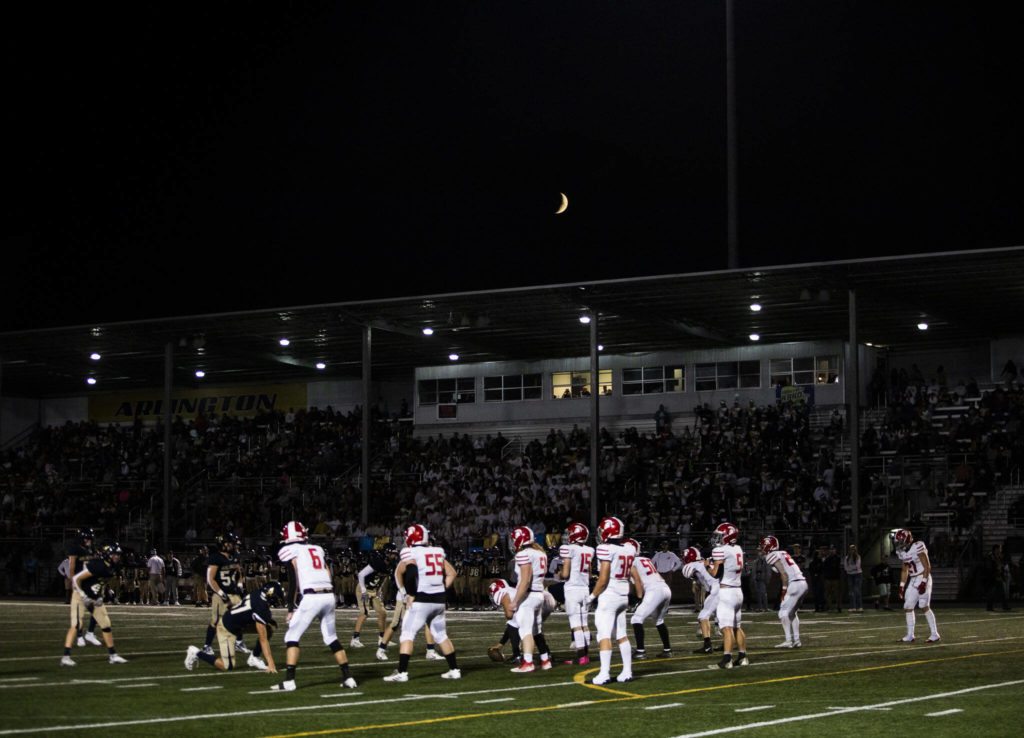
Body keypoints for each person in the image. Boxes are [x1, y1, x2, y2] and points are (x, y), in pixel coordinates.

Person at [272, 521, 356, 691]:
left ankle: (289, 681)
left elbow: (293, 579)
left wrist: (290, 609)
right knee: (331, 638)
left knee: (291, 636)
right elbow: (326, 571)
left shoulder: (291, 551)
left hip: (312, 597)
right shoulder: (316, 549)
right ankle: (348, 678)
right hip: (328, 594)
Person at [383, 524, 461, 682]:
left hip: (422, 599)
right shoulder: (436, 551)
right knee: (441, 635)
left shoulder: (410, 552)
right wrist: (442, 588)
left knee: (407, 634)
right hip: (439, 600)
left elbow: (410, 574)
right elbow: (452, 573)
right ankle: (454, 669)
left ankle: (402, 672)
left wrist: (410, 594)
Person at [186, 581, 284, 673]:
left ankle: (254, 657)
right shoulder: (260, 606)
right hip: (226, 628)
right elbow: (263, 639)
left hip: (237, 623)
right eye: (277, 597)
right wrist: (271, 663)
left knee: (268, 629)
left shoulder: (257, 593)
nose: (278, 599)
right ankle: (196, 652)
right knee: (227, 666)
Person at [60, 543, 128, 666]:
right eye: (114, 554)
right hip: (80, 595)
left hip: (93, 595)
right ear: (108, 555)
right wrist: (83, 596)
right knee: (76, 624)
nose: (116, 557)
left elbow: (100, 583)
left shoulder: (113, 566)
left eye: (118, 555)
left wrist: (100, 596)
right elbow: (76, 579)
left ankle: (113, 655)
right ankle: (66, 656)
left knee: (106, 623)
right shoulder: (97, 565)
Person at [589, 516, 634, 685]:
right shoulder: (629, 548)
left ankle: (604, 674)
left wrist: (592, 596)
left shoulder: (605, 548)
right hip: (623, 595)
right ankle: (627, 671)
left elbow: (603, 578)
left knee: (604, 634)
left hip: (610, 595)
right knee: (621, 634)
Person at [507, 525, 552, 673]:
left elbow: (525, 581)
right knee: (536, 630)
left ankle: (528, 663)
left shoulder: (524, 554)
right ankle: (545, 660)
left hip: (529, 596)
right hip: (539, 594)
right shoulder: (540, 553)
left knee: (525, 630)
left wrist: (514, 602)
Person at [707, 522, 749, 669]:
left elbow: (716, 574)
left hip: (726, 592)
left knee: (727, 628)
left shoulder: (720, 551)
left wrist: (707, 566)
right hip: (738, 591)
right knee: (737, 626)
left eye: (720, 536)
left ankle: (727, 659)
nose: (717, 539)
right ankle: (743, 657)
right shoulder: (738, 548)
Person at [625, 538, 672, 659]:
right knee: (658, 621)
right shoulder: (646, 559)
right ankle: (667, 650)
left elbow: (638, 581)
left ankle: (640, 651)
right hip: (665, 588)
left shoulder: (631, 562)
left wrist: (639, 598)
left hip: (654, 590)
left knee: (636, 619)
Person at [203, 533, 249, 656]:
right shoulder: (215, 558)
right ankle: (207, 646)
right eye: (231, 543)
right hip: (220, 594)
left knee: (241, 618)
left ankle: (238, 642)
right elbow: (210, 578)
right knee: (216, 620)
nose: (233, 546)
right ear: (223, 544)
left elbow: (240, 573)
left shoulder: (234, 556)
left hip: (234, 593)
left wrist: (240, 585)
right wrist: (221, 593)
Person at [893, 529, 941, 643]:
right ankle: (910, 635)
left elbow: (927, 566)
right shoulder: (901, 552)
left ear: (907, 539)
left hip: (923, 576)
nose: (899, 544)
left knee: (924, 605)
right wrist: (901, 585)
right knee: (908, 606)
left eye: (900, 541)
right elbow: (905, 570)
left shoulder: (918, 546)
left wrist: (924, 582)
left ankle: (935, 634)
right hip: (913, 579)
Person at [759, 536, 807, 648]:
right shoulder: (783, 553)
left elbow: (784, 574)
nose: (762, 549)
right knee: (792, 613)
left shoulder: (771, 555)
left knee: (783, 612)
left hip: (794, 583)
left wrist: (784, 591)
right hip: (803, 583)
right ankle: (797, 640)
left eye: (763, 546)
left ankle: (788, 641)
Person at [558, 522, 593, 665]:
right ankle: (586, 654)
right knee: (584, 624)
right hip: (585, 589)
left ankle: (580, 657)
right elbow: (590, 574)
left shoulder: (568, 549)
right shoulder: (590, 550)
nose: (568, 536)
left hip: (572, 589)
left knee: (576, 624)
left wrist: (559, 574)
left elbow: (565, 574)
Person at [351, 543, 396, 648]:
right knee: (365, 613)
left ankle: (382, 639)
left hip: (375, 590)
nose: (394, 556)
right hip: (365, 589)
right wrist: (363, 590)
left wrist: (379, 591)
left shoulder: (391, 565)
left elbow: (383, 579)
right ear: (387, 553)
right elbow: (361, 574)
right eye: (392, 553)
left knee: (382, 612)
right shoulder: (377, 562)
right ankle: (355, 639)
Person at [65, 528, 102, 647]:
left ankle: (90, 633)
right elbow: (72, 567)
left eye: (90, 539)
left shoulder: (92, 550)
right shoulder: (75, 549)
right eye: (87, 538)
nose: (89, 541)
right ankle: (79, 636)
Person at [681, 546, 720, 654]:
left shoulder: (692, 565)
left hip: (717, 590)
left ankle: (707, 646)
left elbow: (688, 573)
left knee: (703, 616)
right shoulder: (703, 562)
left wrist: (695, 578)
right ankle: (728, 643)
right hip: (725, 587)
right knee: (725, 618)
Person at [983, 544, 1010, 612]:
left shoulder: (998, 556)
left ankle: (1005, 606)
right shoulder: (990, 557)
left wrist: (1002, 569)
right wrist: (996, 569)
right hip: (992, 577)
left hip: (998, 577)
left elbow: (1001, 565)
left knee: (1002, 593)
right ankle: (989, 607)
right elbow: (989, 567)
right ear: (995, 549)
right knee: (991, 593)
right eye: (998, 549)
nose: (999, 551)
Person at [844, 544, 863, 612]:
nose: (852, 551)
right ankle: (853, 607)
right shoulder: (847, 558)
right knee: (851, 592)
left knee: (857, 591)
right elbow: (845, 567)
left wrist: (850, 568)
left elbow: (857, 566)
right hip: (850, 575)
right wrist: (851, 569)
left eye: (853, 549)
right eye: (851, 549)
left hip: (857, 574)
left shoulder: (858, 557)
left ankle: (860, 606)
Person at [823, 544, 842, 612]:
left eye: (833, 549)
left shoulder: (837, 558)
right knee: (828, 593)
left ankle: (838, 606)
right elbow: (825, 567)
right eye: (831, 549)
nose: (832, 551)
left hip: (835, 578)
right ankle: (829, 607)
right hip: (828, 578)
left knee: (837, 593)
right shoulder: (827, 559)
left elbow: (836, 567)